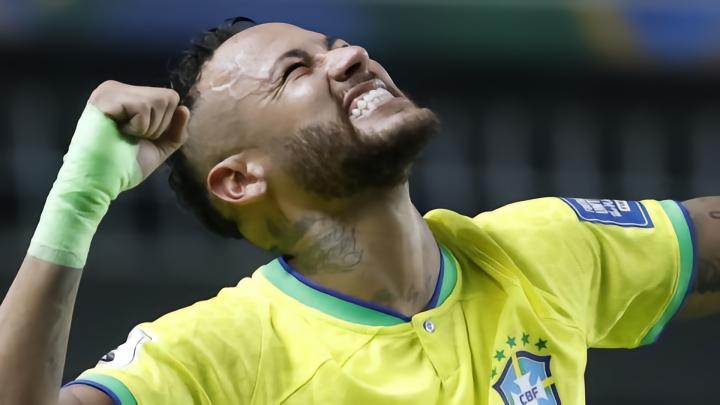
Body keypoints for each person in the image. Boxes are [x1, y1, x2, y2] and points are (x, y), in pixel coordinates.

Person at [0, 16, 718, 405]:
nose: (350, 58)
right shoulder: (215, 356)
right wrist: (76, 203)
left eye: (336, 46)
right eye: (296, 72)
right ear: (241, 180)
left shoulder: (540, 248)